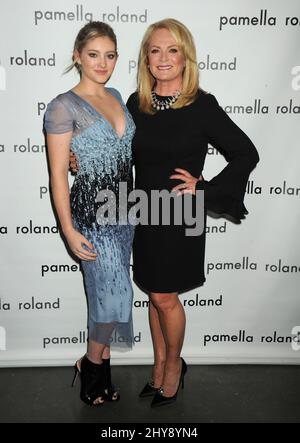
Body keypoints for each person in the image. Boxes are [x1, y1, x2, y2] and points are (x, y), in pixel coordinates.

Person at [70, 18, 259, 408]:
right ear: (145, 58)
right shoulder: (136, 104)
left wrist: (204, 188)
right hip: (146, 212)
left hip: (180, 215)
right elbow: (114, 151)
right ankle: (158, 368)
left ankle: (174, 366)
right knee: (156, 296)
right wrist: (80, 159)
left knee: (165, 297)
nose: (163, 58)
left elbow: (246, 153)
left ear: (185, 56)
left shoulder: (201, 105)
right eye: (155, 50)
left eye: (172, 49)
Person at [44, 21, 136, 406]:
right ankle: (89, 365)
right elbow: (58, 177)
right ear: (77, 56)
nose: (103, 63)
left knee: (108, 299)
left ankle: (101, 370)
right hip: (92, 216)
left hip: (127, 212)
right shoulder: (62, 107)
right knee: (113, 298)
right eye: (94, 54)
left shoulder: (117, 95)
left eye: (110, 55)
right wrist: (67, 229)